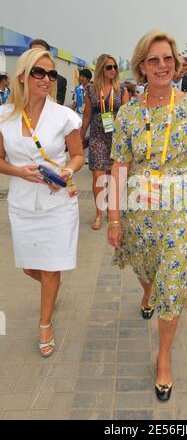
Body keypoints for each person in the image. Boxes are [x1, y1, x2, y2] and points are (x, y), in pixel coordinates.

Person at [108, 30, 187, 401]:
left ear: (176, 64)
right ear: (141, 66)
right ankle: (146, 292)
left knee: (171, 282)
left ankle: (163, 358)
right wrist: (112, 217)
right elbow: (119, 167)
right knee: (147, 270)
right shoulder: (127, 113)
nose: (162, 66)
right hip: (140, 208)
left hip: (182, 210)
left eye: (168, 59)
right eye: (154, 60)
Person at [0, 49, 84, 357]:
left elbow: (78, 156)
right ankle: (52, 290)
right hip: (22, 203)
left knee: (51, 267)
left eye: (51, 74)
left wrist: (67, 170)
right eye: (39, 72)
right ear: (22, 76)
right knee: (27, 267)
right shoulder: (4, 116)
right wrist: (17, 171)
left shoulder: (64, 116)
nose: (46, 79)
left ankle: (45, 323)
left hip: (58, 203)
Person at [80, 54, 129, 230]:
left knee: (112, 176)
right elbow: (86, 115)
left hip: (116, 138)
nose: (113, 70)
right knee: (98, 175)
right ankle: (99, 213)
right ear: (101, 68)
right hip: (97, 136)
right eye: (109, 67)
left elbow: (127, 115)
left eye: (115, 67)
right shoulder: (91, 90)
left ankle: (111, 208)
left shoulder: (121, 89)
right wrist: (79, 139)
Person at [29, 39, 68, 105]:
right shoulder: (22, 76)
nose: (36, 56)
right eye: (33, 53)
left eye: (41, 53)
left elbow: (58, 106)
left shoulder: (60, 81)